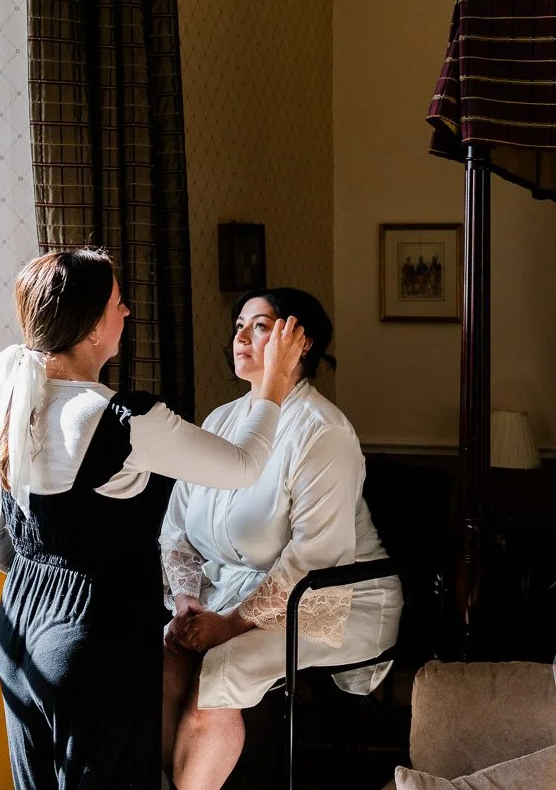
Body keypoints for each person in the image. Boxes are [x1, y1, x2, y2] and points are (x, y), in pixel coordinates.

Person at [0, 249, 306, 790]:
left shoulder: (6, 406)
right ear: (95, 325)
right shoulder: (124, 421)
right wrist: (275, 384)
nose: (127, 314)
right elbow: (243, 466)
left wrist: (48, 579)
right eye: (119, 305)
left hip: (18, 627)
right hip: (98, 634)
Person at [161, 287, 401, 790]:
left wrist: (228, 626)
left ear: (300, 342)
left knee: (222, 670)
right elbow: (176, 529)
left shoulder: (323, 432)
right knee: (166, 657)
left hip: (333, 598)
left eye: (261, 325)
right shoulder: (219, 422)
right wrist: (187, 601)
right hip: (230, 592)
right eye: (238, 326)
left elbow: (316, 556)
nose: (241, 336)